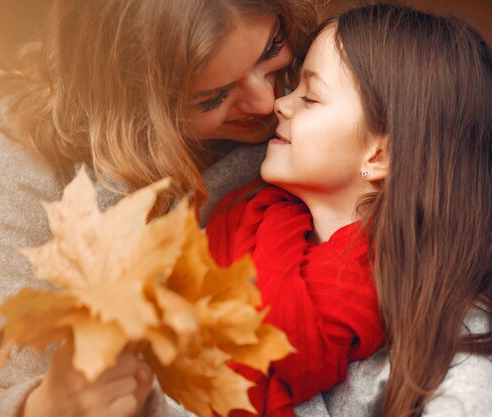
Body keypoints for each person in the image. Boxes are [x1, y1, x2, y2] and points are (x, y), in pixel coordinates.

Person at [0, 1, 320, 417]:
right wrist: (42, 407)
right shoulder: (36, 143)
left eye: (271, 48)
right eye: (212, 97)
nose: (264, 102)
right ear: (132, 98)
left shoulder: (337, 125)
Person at [207, 3, 492, 417]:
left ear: (379, 155)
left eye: (310, 96)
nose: (279, 105)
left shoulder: (455, 357)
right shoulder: (230, 218)